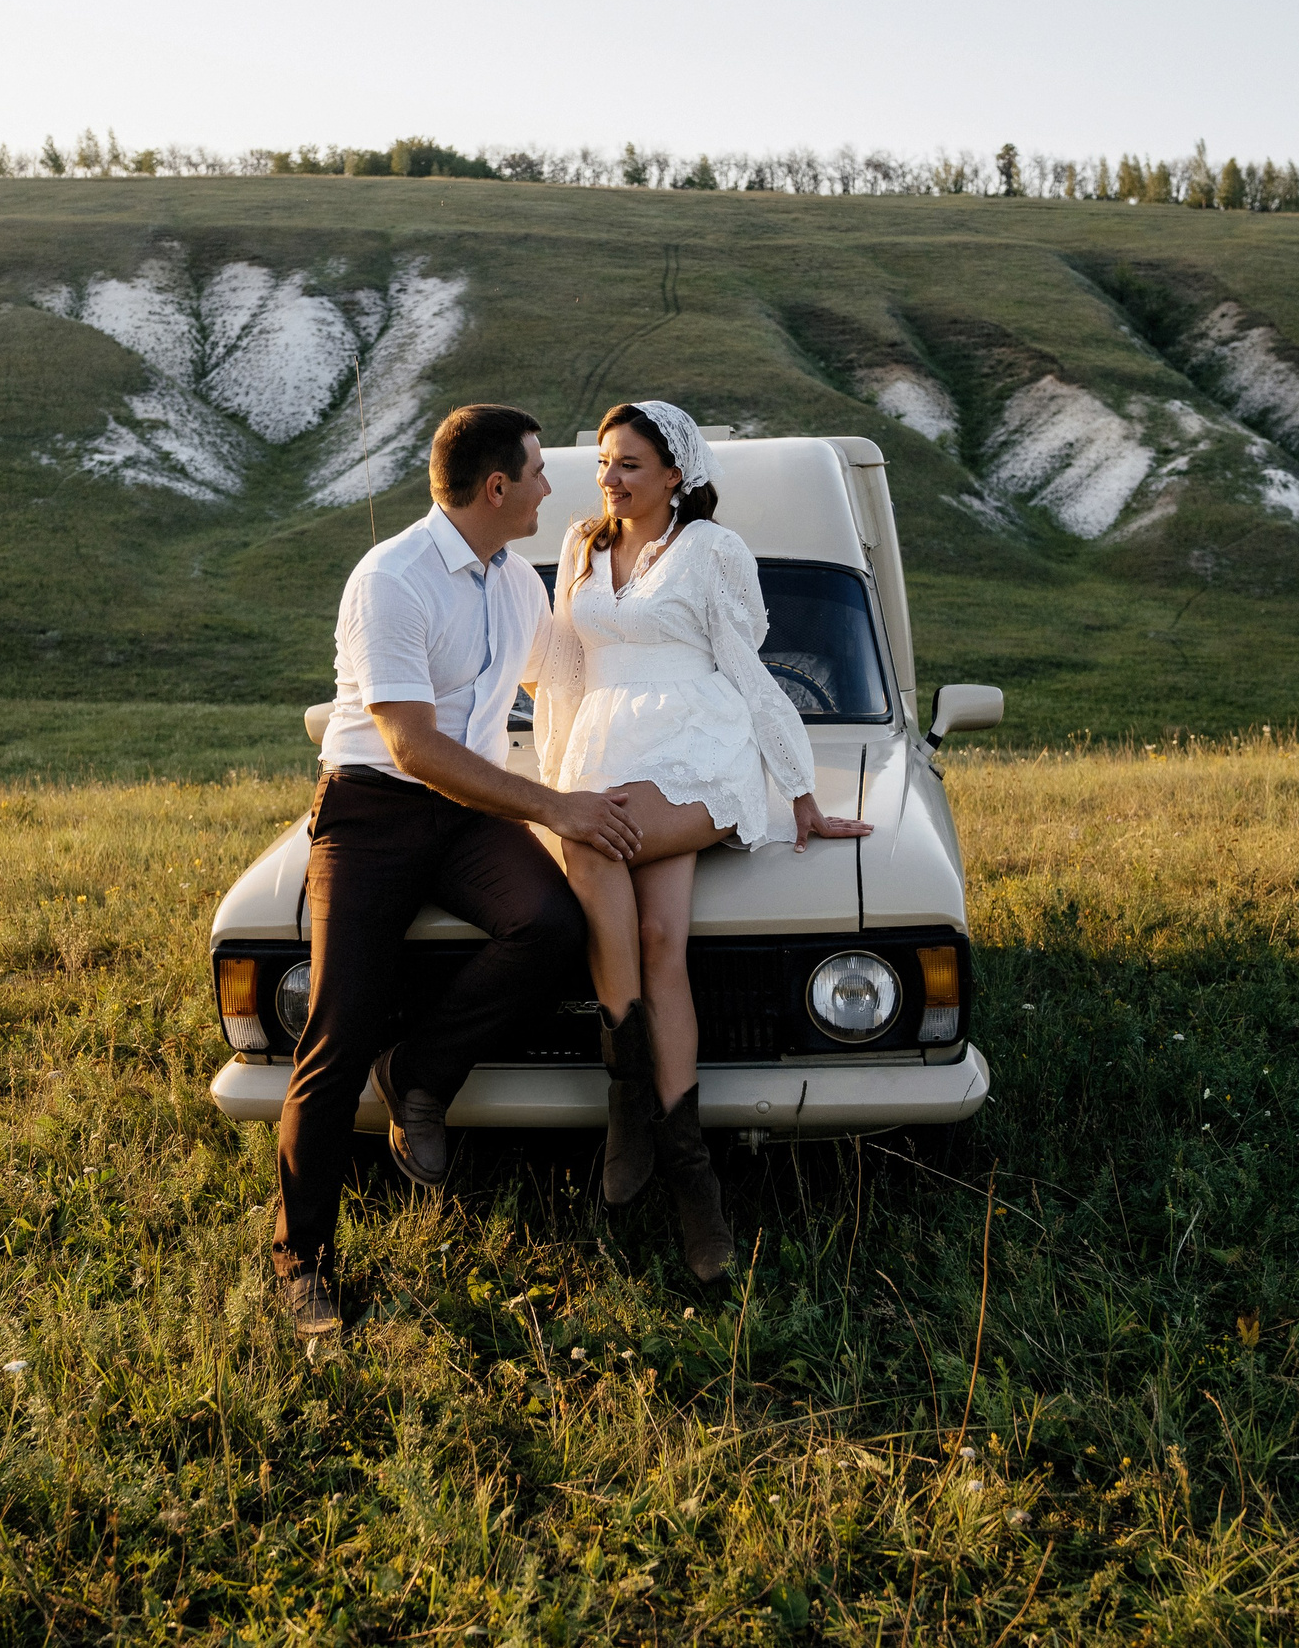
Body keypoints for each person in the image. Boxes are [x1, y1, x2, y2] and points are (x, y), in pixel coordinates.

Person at [276, 403, 643, 1339]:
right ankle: (302, 1260)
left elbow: (566, 672)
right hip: (371, 810)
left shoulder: (518, 581)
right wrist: (555, 807)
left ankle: (422, 1071)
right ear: (497, 487)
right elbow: (412, 745)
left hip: (468, 813)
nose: (550, 487)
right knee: (339, 1026)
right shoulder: (389, 579)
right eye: (538, 472)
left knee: (553, 926)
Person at [532, 401, 874, 1283]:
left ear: (675, 474)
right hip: (606, 750)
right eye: (605, 462)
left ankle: (630, 1103)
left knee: (595, 843)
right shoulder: (580, 547)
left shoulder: (712, 550)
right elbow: (566, 670)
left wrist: (800, 790)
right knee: (658, 939)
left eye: (630, 464)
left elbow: (746, 668)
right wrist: (555, 780)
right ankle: (692, 1176)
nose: (610, 478)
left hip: (694, 746)